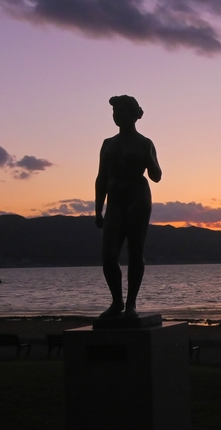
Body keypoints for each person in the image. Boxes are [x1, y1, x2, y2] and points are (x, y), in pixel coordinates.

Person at [94, 95, 162, 319]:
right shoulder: (108, 144)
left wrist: (148, 159)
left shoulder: (144, 143)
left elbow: (157, 175)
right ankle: (117, 301)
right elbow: (101, 177)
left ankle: (131, 303)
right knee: (108, 255)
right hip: (114, 202)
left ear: (132, 115)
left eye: (120, 111)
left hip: (137, 200)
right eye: (114, 113)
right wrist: (98, 209)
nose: (115, 116)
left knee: (135, 251)